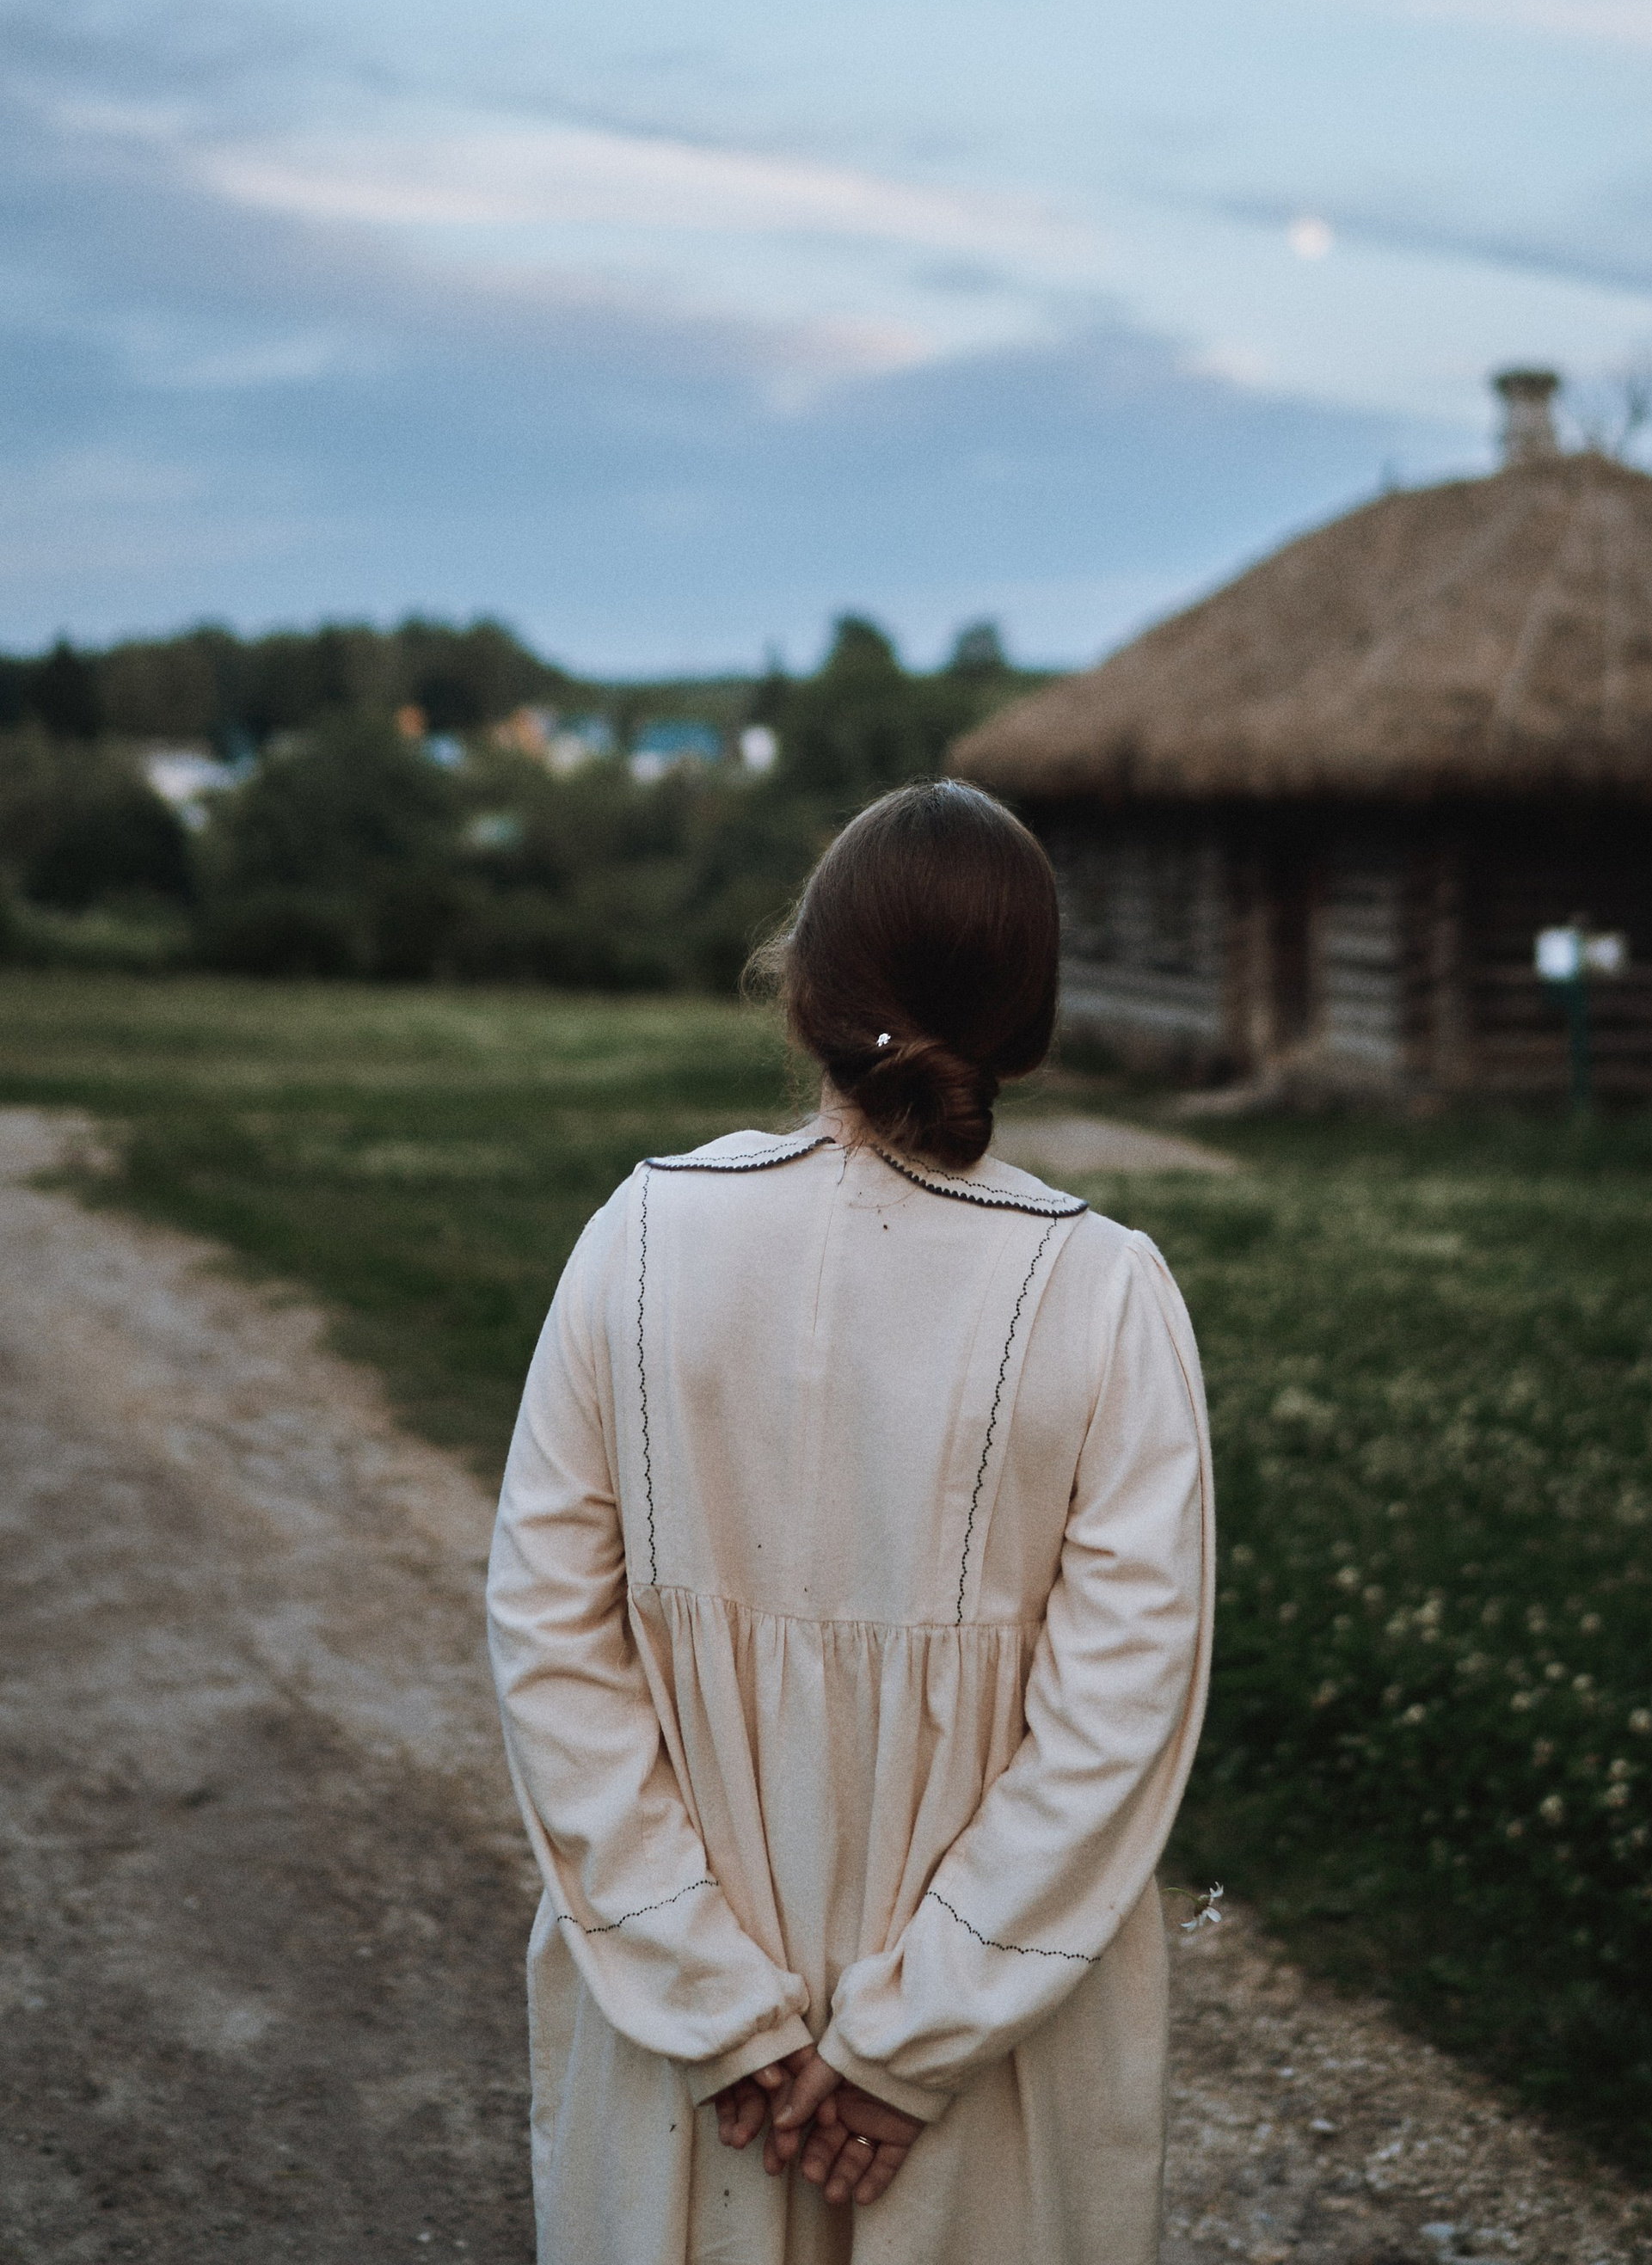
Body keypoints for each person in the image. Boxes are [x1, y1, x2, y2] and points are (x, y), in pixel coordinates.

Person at [487, 778, 1214, 2264]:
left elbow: (548, 1646)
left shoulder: (637, 1237)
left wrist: (708, 2001)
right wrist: (909, 2042)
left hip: (690, 2057)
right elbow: (1114, 1728)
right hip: (990, 2046)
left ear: (804, 986)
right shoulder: (1106, 1291)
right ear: (1030, 1018)